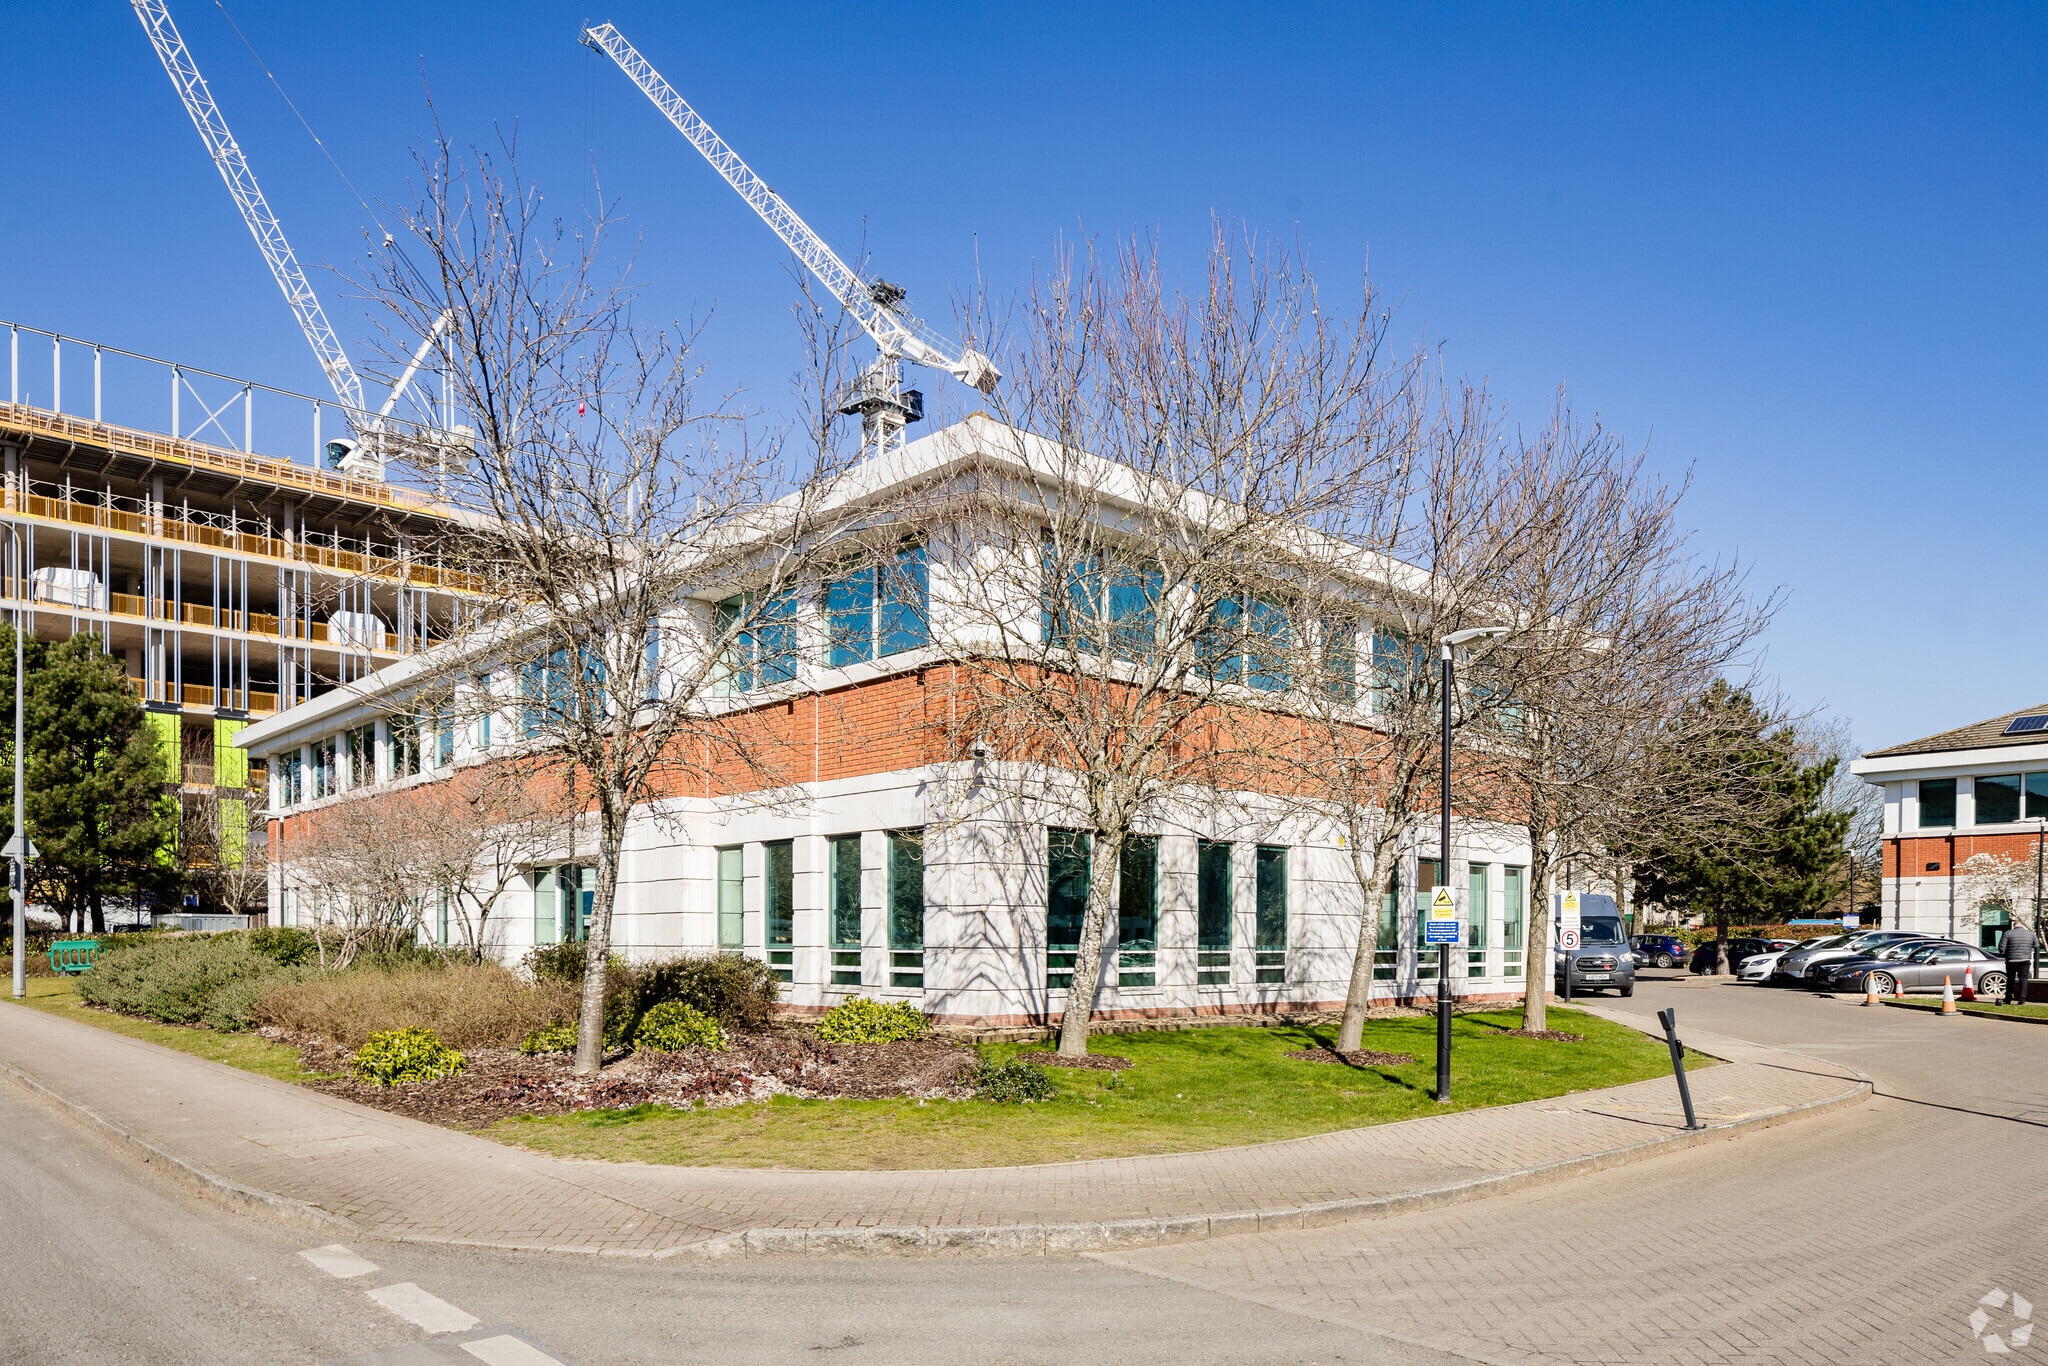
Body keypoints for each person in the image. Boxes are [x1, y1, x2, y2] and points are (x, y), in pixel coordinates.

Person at [2001, 919, 2039, 1006]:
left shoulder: (2008, 933)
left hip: (2011, 960)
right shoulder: (2031, 934)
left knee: (2010, 979)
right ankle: (2022, 999)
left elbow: (2002, 947)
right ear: (2023, 926)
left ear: (2013, 926)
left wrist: (2005, 955)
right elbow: (2036, 945)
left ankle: (2008, 998)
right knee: (2023, 979)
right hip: (2025, 959)